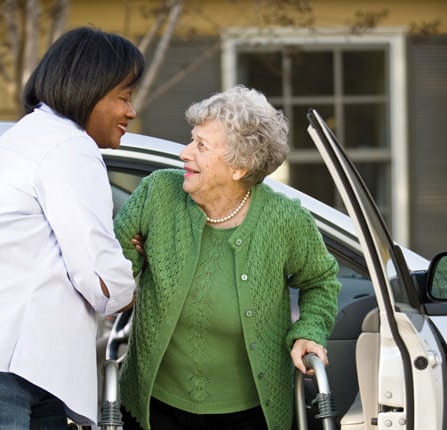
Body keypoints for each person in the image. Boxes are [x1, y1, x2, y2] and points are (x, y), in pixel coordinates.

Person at [114, 85, 341, 430]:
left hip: (251, 413)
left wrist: (310, 330)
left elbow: (321, 280)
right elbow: (110, 265)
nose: (185, 154)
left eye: (201, 146)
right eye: (192, 139)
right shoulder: (157, 194)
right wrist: (132, 265)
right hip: (154, 407)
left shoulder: (284, 220)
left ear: (239, 166)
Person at [0, 26, 144, 428]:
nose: (130, 112)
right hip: (3, 368)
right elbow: (99, 277)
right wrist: (139, 284)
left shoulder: (27, 137)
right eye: (124, 97)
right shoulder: (69, 148)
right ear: (88, 90)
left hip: (3, 360)